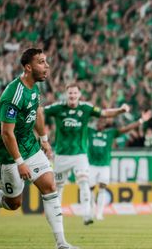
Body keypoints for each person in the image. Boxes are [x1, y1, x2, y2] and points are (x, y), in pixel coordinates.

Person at [0, 48, 80, 249]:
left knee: (50, 186)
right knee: (13, 203)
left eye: (46, 61)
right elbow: (6, 133)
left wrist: (44, 139)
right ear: (28, 67)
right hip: (8, 155)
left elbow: (37, 112)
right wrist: (20, 163)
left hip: (30, 147)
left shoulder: (34, 87)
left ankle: (61, 242)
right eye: (41, 62)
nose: (47, 66)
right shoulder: (13, 95)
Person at [44, 83, 130, 225]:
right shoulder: (57, 108)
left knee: (84, 182)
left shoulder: (86, 108)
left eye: (75, 93)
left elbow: (105, 113)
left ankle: (86, 214)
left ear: (79, 95)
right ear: (66, 94)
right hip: (61, 154)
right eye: (70, 93)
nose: (72, 95)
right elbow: (40, 112)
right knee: (58, 187)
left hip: (80, 154)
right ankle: (56, 216)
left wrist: (120, 110)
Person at [88, 110, 152, 220]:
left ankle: (99, 213)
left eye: (103, 121)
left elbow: (126, 129)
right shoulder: (90, 131)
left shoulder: (110, 133)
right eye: (99, 121)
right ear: (97, 122)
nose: (101, 123)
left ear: (105, 123)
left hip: (104, 165)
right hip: (92, 165)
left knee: (102, 188)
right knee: (90, 188)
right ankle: (92, 209)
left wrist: (141, 121)